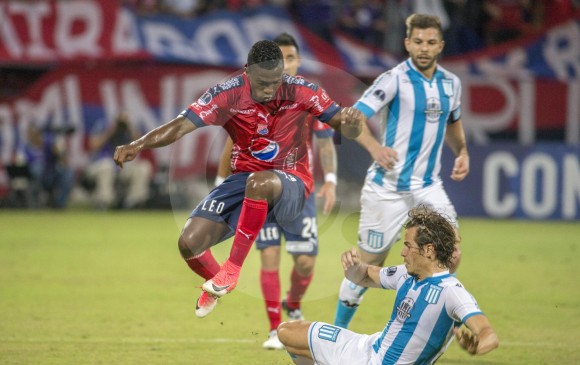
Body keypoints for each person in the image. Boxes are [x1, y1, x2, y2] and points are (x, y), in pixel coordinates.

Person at [113, 40, 363, 318]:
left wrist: (352, 120)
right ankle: (216, 284)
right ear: (247, 72)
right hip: (243, 178)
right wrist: (137, 144)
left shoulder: (303, 90)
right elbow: (180, 126)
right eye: (262, 83)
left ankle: (232, 270)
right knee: (189, 243)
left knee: (261, 185)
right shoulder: (227, 94)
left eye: (275, 82)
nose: (269, 90)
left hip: (292, 182)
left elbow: (343, 123)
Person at [334, 13, 470, 329]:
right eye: (418, 42)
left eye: (431, 42)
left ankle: (425, 323)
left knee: (452, 252)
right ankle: (338, 332)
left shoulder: (452, 83)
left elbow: (453, 122)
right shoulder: (393, 79)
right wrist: (375, 149)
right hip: (387, 187)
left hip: (427, 186)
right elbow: (354, 121)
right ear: (408, 43)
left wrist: (462, 151)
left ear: (441, 45)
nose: (424, 48)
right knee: (366, 267)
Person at [214, 33, 338, 350]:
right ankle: (274, 329)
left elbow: (325, 142)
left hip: (299, 192)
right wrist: (221, 184)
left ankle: (293, 302)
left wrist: (331, 179)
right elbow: (233, 140)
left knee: (305, 263)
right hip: (263, 188)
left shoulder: (308, 98)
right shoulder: (253, 97)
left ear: (296, 62)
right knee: (269, 256)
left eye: (291, 58)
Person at [277, 206, 499, 365]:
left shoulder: (452, 292)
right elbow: (365, 276)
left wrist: (478, 346)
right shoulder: (406, 274)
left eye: (408, 246)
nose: (402, 252)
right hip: (367, 349)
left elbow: (488, 333)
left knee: (291, 334)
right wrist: (353, 268)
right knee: (287, 332)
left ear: (428, 250)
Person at [86, 111, 153, 210]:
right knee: (107, 166)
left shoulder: (130, 128)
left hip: (122, 166)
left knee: (144, 167)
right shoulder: (103, 124)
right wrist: (111, 130)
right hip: (101, 164)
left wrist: (129, 126)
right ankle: (103, 202)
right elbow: (93, 146)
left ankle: (133, 202)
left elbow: (142, 144)